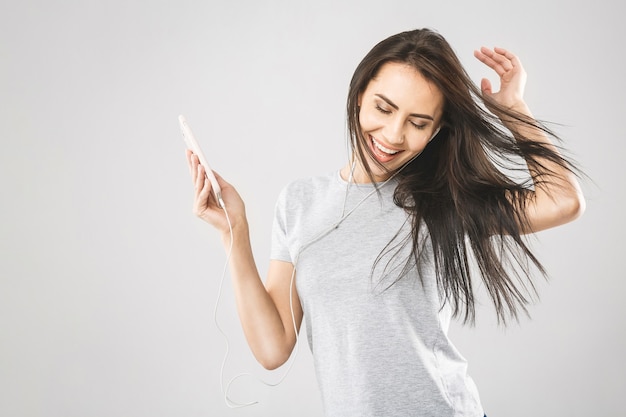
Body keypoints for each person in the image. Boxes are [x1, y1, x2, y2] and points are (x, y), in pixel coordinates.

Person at [185, 28, 585, 417]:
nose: (393, 135)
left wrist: (513, 110)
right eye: (384, 108)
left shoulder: (445, 200)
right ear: (360, 96)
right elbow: (273, 349)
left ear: (436, 131)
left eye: (418, 122)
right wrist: (234, 234)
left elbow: (564, 201)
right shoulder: (299, 202)